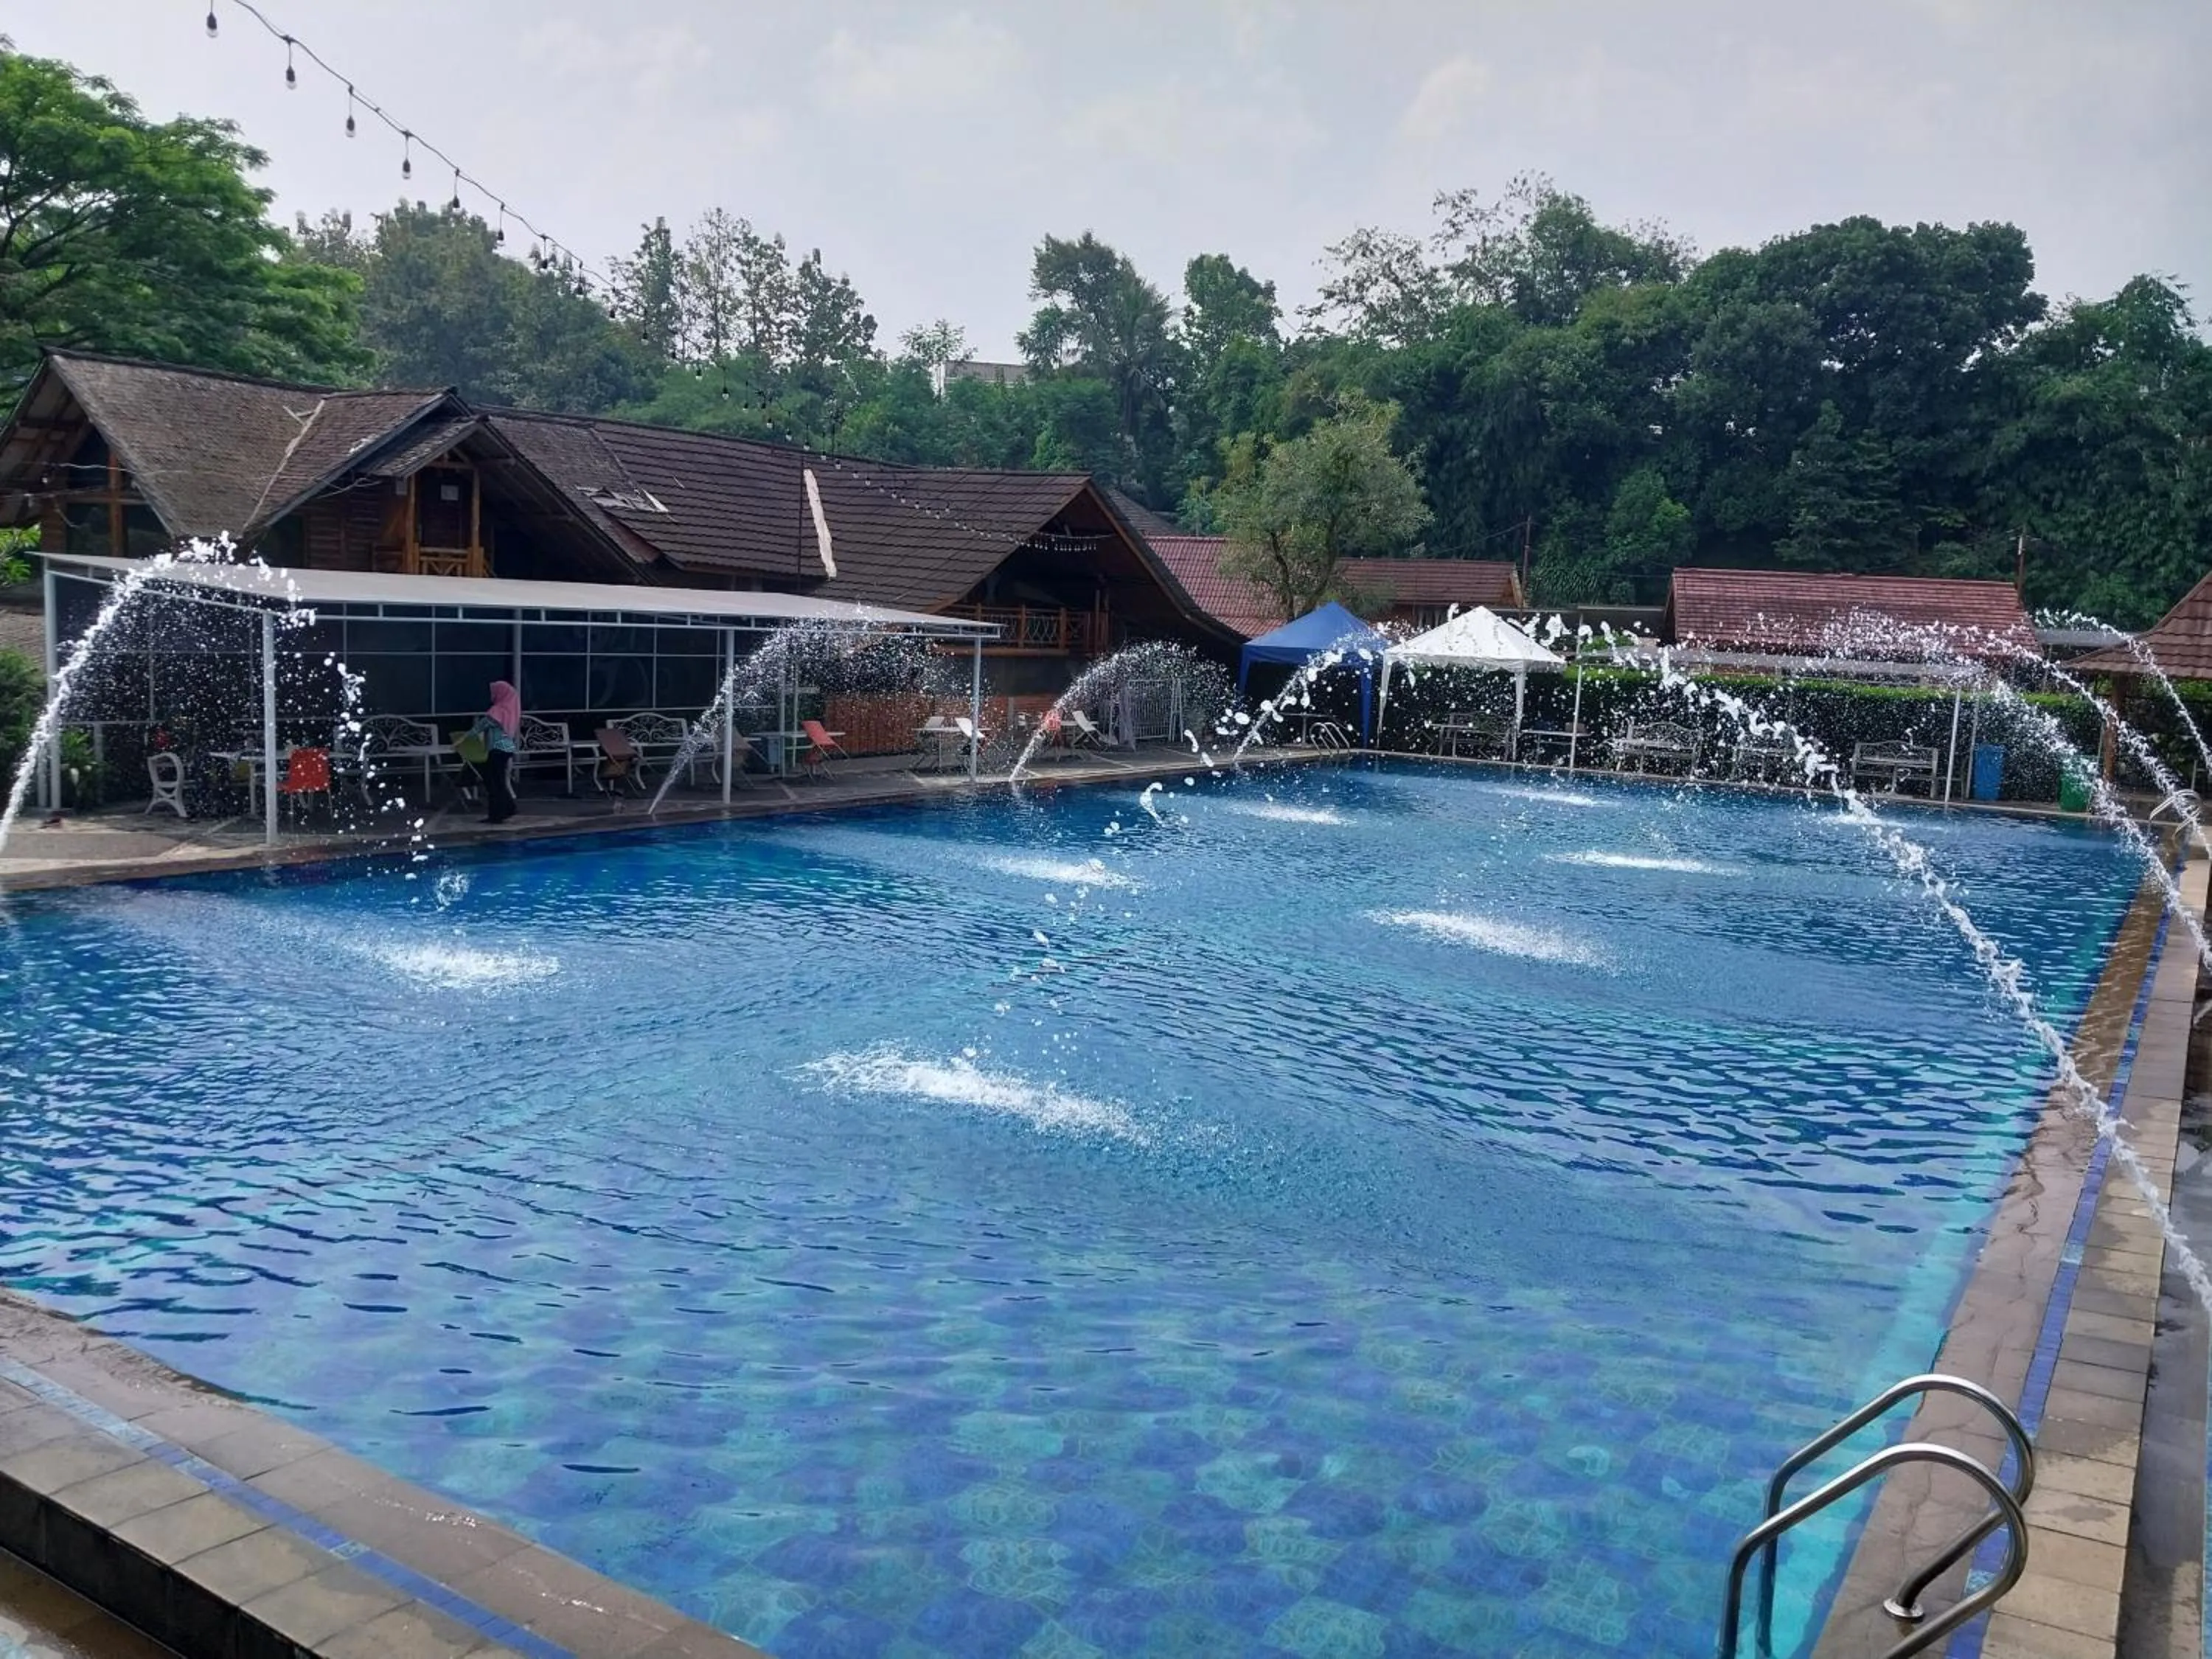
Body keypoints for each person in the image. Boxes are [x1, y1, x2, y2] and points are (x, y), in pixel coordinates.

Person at [467, 680, 521, 824]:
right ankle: (508, 808)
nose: (492, 695)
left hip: (497, 749)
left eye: (494, 692)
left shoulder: (497, 710)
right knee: (499, 781)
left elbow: (480, 727)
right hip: (507, 747)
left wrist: (461, 741)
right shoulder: (511, 709)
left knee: (493, 783)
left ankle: (496, 815)